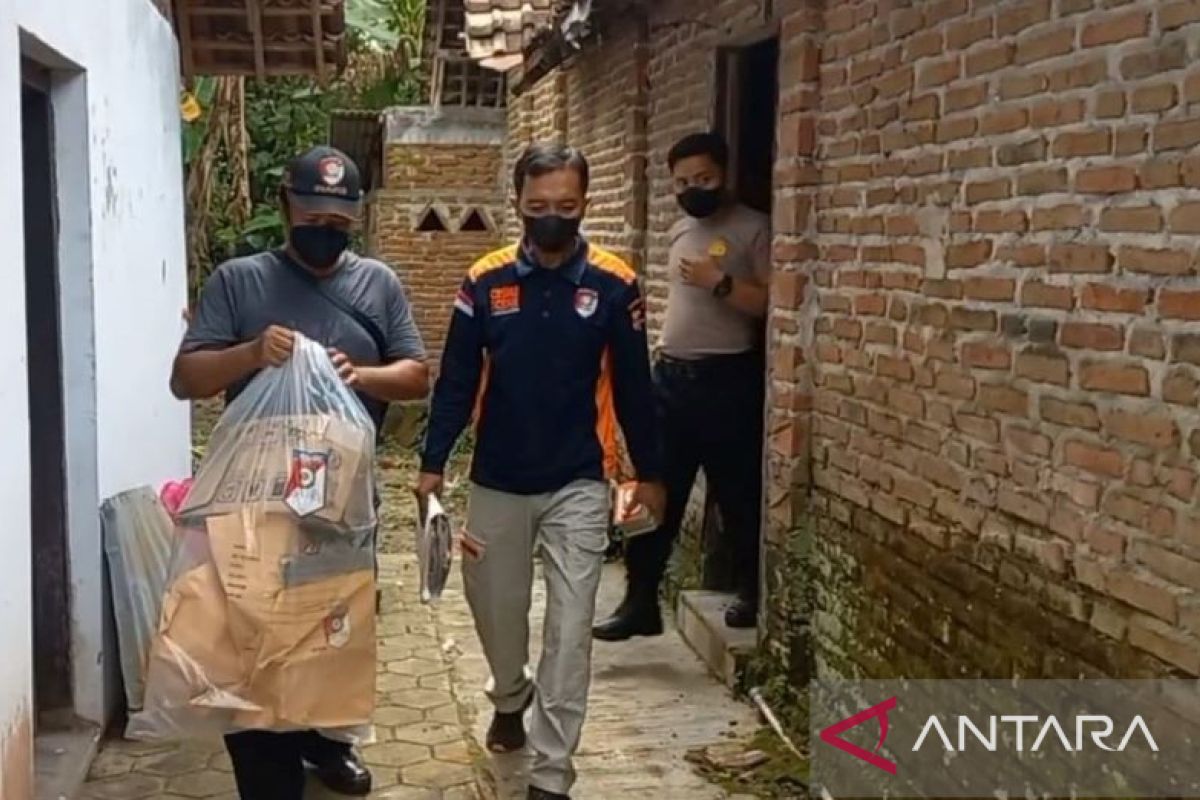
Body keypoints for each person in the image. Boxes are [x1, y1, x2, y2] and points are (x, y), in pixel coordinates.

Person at [170, 145, 430, 799]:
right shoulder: (241, 281)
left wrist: (359, 375)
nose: (325, 231)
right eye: (313, 215)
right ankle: (269, 778)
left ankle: (324, 745)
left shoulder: (377, 285)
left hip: (340, 505)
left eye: (340, 223)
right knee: (253, 648)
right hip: (254, 505)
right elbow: (187, 378)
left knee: (327, 635)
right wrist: (253, 352)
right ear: (285, 204)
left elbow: (416, 373)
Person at [415, 143, 665, 800]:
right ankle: (508, 693)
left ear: (584, 205)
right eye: (537, 208)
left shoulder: (615, 284)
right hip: (498, 477)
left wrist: (653, 473)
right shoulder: (485, 281)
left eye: (566, 207)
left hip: (580, 479)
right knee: (496, 612)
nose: (551, 219)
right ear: (518, 204)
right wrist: (432, 463)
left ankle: (551, 775)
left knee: (570, 627)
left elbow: (636, 388)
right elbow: (457, 379)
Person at [593, 131, 770, 640]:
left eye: (705, 179)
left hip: (727, 380)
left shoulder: (753, 229)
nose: (695, 189)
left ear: (725, 175)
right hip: (670, 378)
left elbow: (770, 303)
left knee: (736, 494)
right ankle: (640, 602)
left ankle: (748, 592)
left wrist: (721, 280)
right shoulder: (678, 230)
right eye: (684, 182)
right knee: (653, 491)